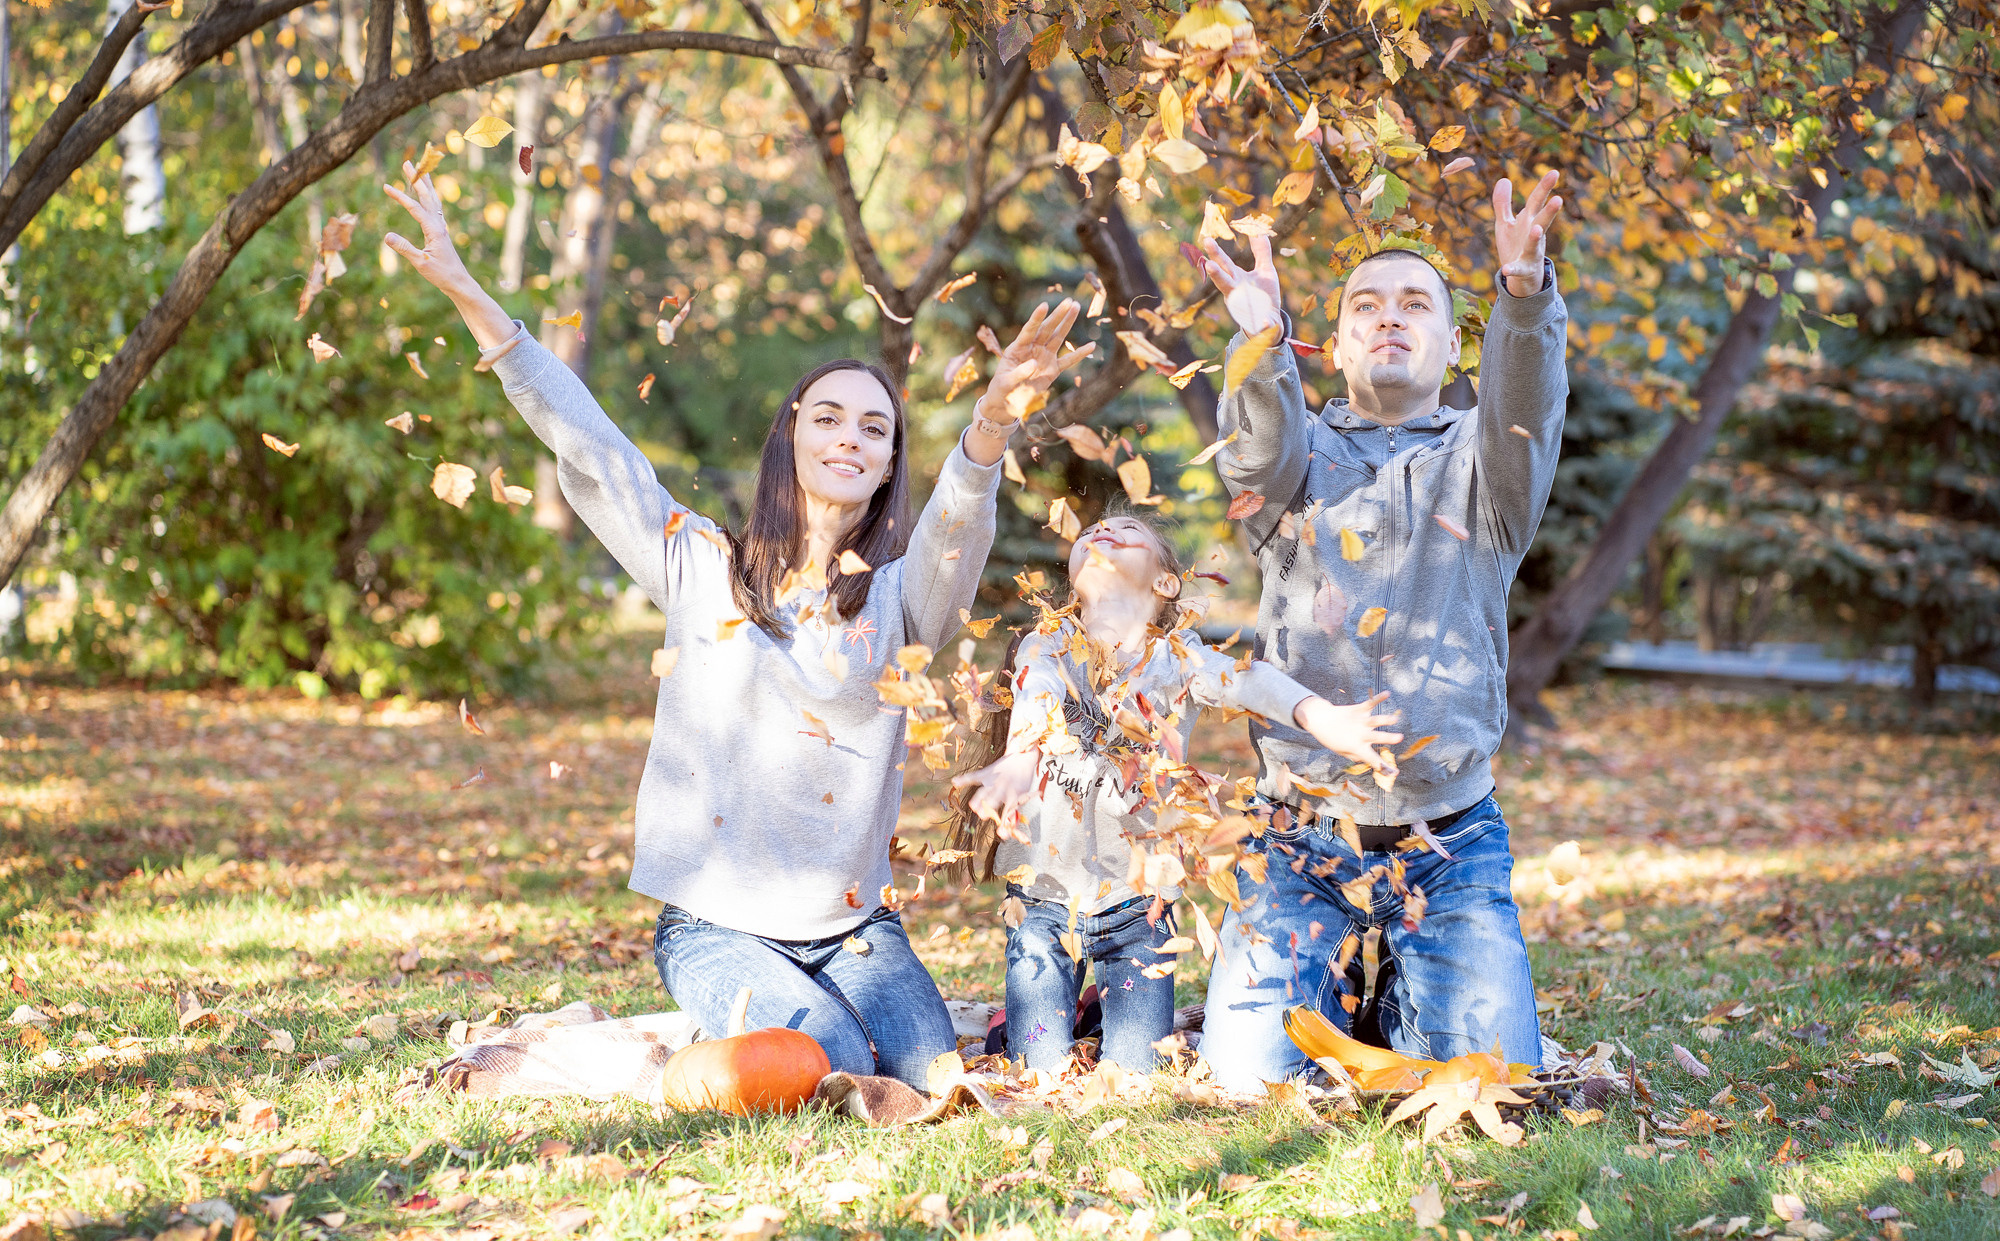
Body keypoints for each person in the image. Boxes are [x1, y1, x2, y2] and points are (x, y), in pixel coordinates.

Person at [383, 163, 1094, 1087]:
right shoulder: (701, 566)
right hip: (714, 923)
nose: (849, 437)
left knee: (928, 1074)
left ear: (888, 465)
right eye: (828, 418)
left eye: (873, 429)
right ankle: (668, 1054)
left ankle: (710, 1036)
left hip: (855, 927)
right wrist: (475, 301)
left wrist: (991, 421)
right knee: (830, 1066)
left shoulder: (903, 602)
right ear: (792, 436)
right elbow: (595, 447)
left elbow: (960, 524)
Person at [1193, 171, 1570, 1093]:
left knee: (1492, 1079)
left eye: (1415, 304)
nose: (1389, 317)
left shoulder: (1487, 474)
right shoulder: (1295, 465)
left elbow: (1525, 411)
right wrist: (1260, 344)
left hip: (1448, 844)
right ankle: (1358, 981)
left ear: (1453, 346)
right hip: (1299, 840)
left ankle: (1394, 982)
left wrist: (1524, 301)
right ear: (1334, 346)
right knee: (1246, 1082)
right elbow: (1254, 451)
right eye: (1365, 305)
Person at [946, 512, 1402, 1073]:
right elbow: (1035, 690)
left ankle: (1096, 1015)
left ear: (1164, 582)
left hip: (1139, 907)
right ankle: (1041, 1022)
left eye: (1127, 531)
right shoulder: (1048, 642)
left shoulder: (1178, 658)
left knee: (1134, 1072)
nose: (1101, 531)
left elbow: (1245, 679)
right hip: (1043, 902)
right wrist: (1021, 753)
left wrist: (1317, 714)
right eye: (1091, 531)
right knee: (1036, 1067)